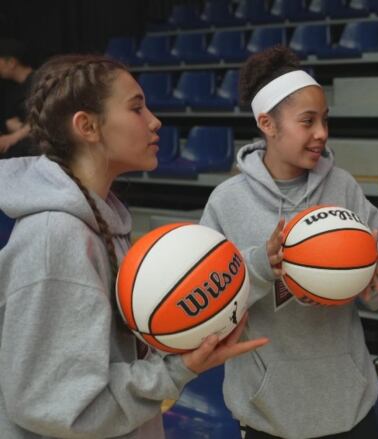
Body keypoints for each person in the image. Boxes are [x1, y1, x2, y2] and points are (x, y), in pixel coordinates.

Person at [0, 54, 268, 438]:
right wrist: (179, 369)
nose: (155, 121)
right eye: (137, 108)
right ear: (87, 126)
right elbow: (57, 407)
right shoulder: (54, 238)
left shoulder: (100, 220)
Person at [199, 46, 378, 439]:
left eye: (324, 120)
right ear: (267, 124)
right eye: (307, 121)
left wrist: (376, 278)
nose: (321, 133)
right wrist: (259, 266)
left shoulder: (343, 187)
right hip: (268, 413)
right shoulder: (227, 201)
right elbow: (207, 304)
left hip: (349, 405)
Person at [0, 38, 36, 157]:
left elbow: (42, 119)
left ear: (11, 62)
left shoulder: (40, 80)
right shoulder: (10, 88)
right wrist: (25, 129)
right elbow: (10, 121)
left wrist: (14, 136)